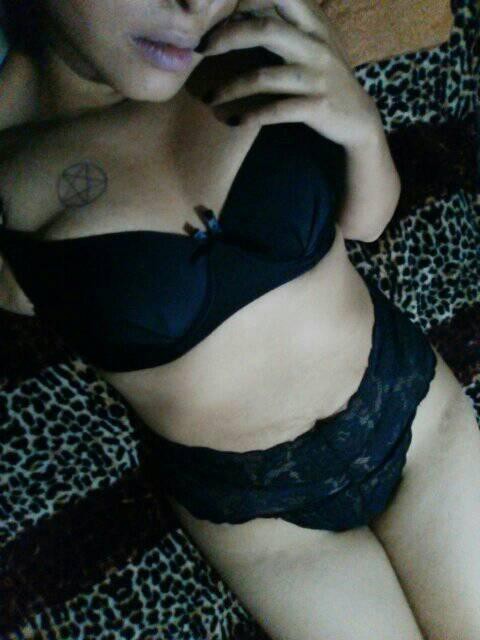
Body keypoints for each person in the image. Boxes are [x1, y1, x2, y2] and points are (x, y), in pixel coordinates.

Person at [0, 1, 479, 638]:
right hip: (265, 526)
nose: (195, 4)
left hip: (414, 417)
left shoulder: (267, 32)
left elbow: (367, 223)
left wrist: (363, 127)